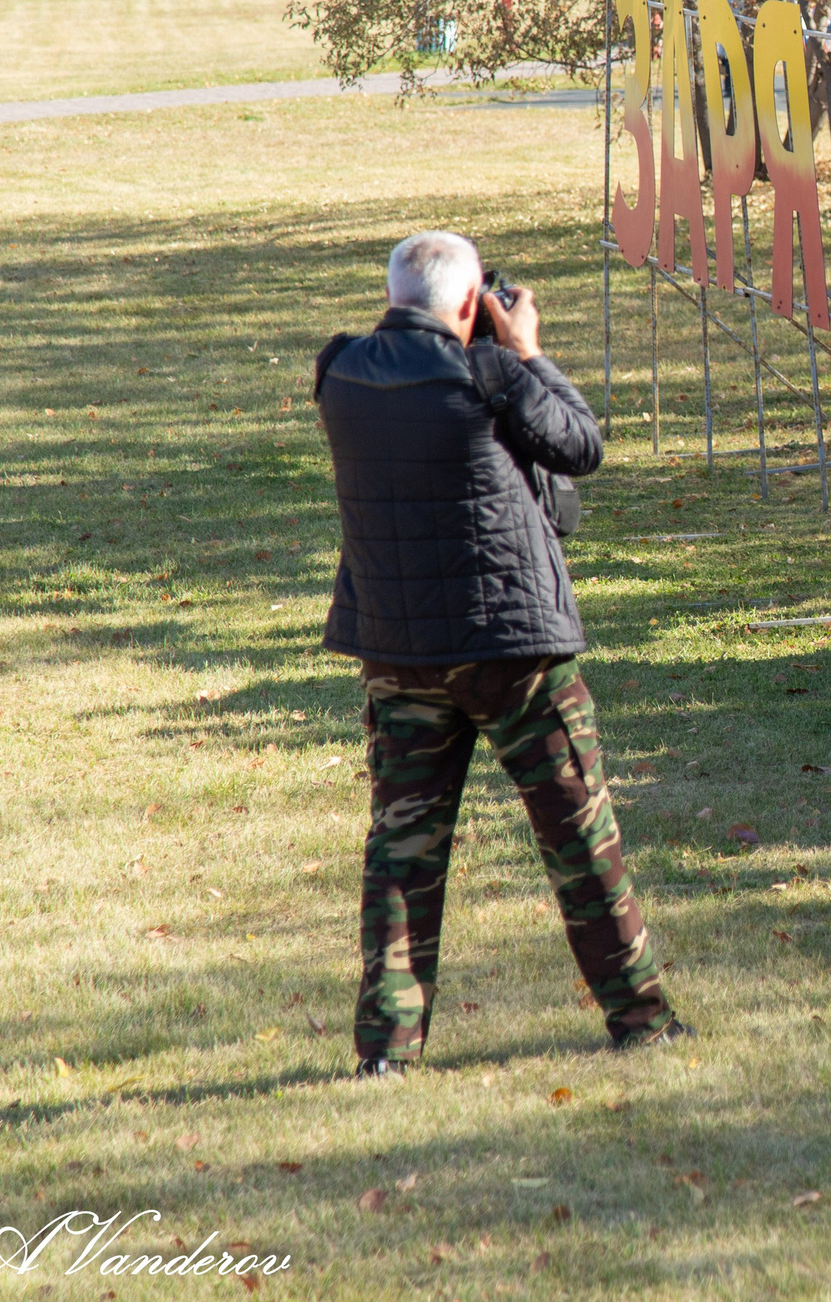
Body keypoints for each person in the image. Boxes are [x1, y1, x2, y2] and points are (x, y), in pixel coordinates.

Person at [315, 233, 685, 1074]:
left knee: (403, 851)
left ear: (393, 296)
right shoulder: (491, 373)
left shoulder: (338, 372)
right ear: (468, 303)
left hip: (399, 647)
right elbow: (580, 446)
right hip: (514, 648)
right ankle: (640, 1019)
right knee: (578, 837)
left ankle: (386, 1050)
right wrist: (527, 351)